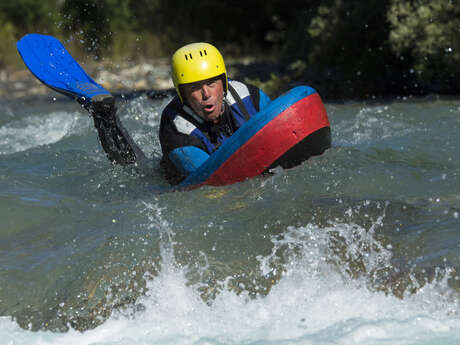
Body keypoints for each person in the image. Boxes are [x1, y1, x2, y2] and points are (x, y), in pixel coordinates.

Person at [86, 42, 271, 185]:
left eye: (212, 84)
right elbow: (214, 181)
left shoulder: (251, 98)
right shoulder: (176, 130)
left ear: (224, 82)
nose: (206, 94)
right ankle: (104, 116)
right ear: (181, 93)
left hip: (227, 155)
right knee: (135, 169)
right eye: (194, 88)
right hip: (172, 180)